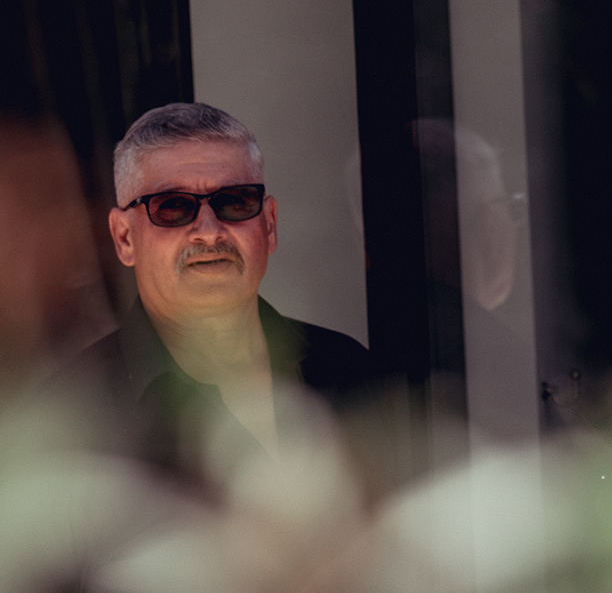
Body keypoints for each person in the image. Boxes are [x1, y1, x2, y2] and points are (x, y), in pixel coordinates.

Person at [63, 103, 377, 474]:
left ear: (269, 225)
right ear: (124, 237)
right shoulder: (75, 415)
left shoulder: (350, 370)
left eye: (234, 201)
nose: (209, 232)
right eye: (172, 207)